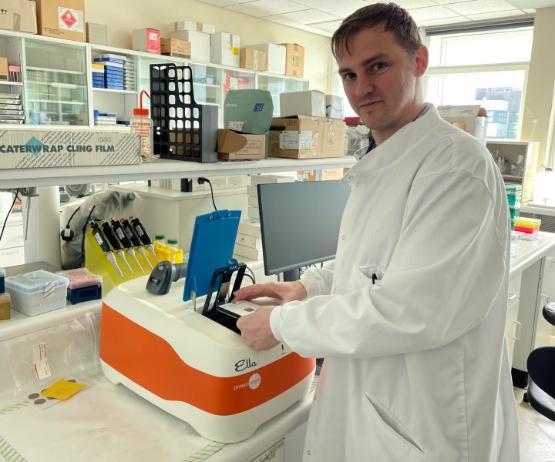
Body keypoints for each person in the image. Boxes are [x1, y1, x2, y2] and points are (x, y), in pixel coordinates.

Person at [234, 3, 519, 461]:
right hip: (374, 403)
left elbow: (412, 309)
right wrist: (308, 287)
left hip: (421, 422)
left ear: (419, 62)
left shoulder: (453, 168)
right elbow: (371, 267)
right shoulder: (385, 161)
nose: (361, 88)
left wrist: (282, 324)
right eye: (348, 74)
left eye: (377, 66)